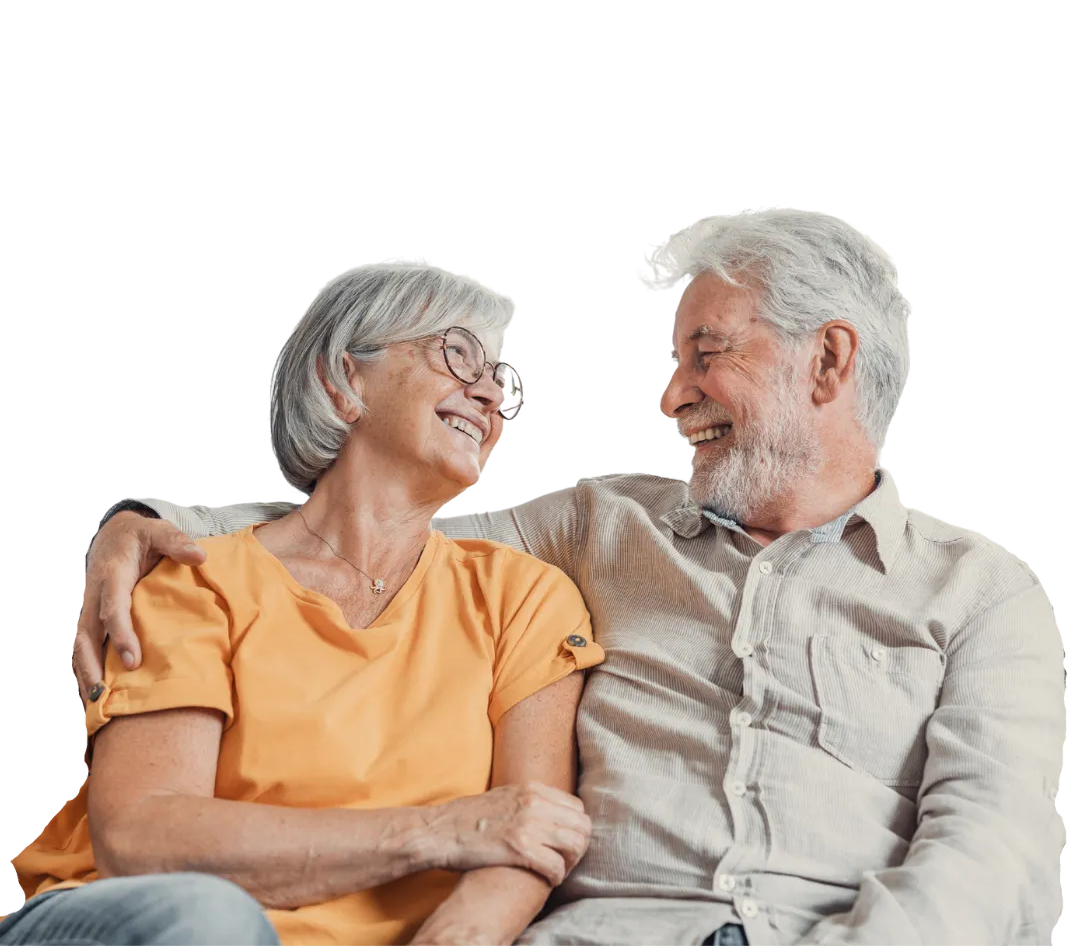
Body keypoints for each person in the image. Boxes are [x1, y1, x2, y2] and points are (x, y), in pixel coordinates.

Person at [66, 210, 1062, 945]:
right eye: (672, 362)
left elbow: (989, 852)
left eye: (706, 354)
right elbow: (364, 524)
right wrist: (140, 523)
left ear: (829, 361)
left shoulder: (983, 593)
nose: (672, 397)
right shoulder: (597, 528)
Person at [6, 267, 606, 946]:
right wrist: (439, 830)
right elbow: (143, 840)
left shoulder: (524, 598)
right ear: (343, 381)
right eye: (459, 353)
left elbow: (529, 837)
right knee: (213, 921)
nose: (492, 394)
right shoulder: (200, 582)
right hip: (138, 922)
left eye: (505, 379)